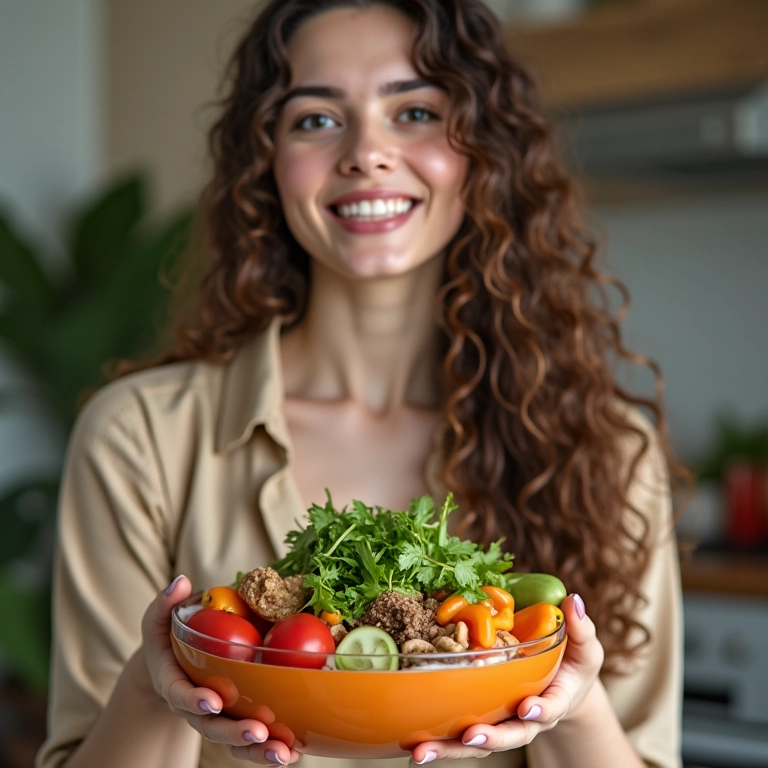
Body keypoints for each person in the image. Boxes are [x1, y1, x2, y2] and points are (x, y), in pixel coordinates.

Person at [36, 1, 686, 767]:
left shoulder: (606, 449)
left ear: (483, 151)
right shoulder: (139, 436)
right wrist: (153, 690)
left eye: (415, 111)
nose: (366, 153)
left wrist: (571, 705)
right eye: (317, 119)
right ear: (266, 160)